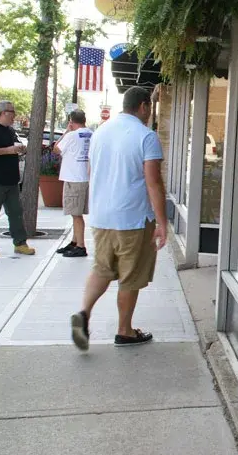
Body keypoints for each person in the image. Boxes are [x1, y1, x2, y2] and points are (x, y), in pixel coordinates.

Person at [70, 87, 167, 350]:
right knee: (130, 276)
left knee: (102, 268)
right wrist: (162, 222)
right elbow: (154, 182)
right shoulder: (146, 137)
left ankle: (84, 313)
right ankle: (125, 331)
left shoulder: (101, 132)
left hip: (102, 216)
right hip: (133, 218)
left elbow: (92, 170)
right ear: (144, 107)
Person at [0, 100, 35, 258]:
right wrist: (8, 150)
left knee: (16, 212)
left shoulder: (10, 131)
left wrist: (19, 149)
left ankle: (20, 243)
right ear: (2, 113)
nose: (14, 116)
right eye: (12, 112)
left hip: (11, 179)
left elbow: (13, 148)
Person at [53, 110, 92, 257]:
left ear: (71, 121)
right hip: (84, 178)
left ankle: (81, 246)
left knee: (76, 214)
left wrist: (66, 131)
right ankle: (75, 241)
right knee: (76, 212)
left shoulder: (71, 135)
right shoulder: (91, 134)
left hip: (73, 178)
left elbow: (56, 148)